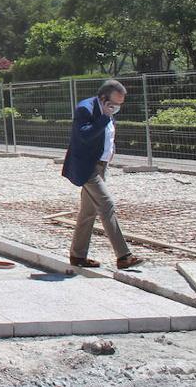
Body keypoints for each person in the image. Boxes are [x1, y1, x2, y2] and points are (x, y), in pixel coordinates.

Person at [61, 79, 144, 270]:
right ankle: (124, 256)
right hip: (87, 167)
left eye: (119, 105)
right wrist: (105, 117)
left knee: (88, 212)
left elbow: (106, 134)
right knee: (107, 205)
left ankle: (77, 256)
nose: (116, 108)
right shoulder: (85, 109)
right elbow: (83, 135)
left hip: (101, 166)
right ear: (103, 98)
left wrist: (111, 148)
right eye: (114, 104)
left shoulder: (107, 110)